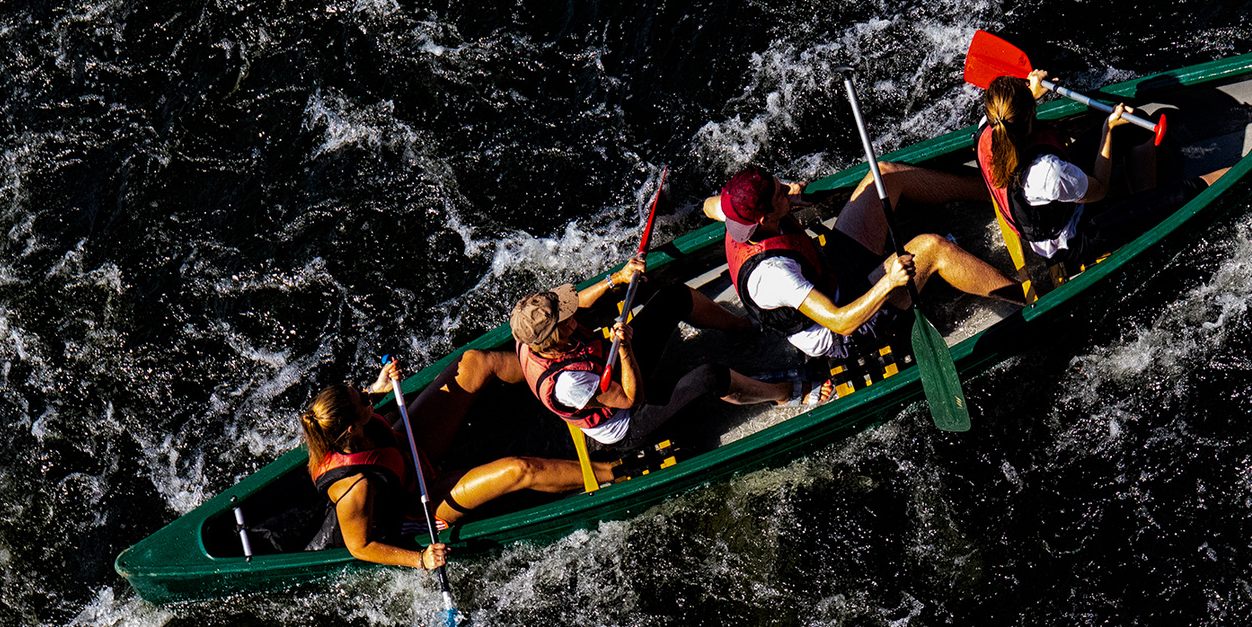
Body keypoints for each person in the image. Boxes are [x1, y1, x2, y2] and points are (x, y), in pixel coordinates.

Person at [301, 357, 611, 571]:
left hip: (408, 459)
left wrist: (376, 389)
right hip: (418, 505)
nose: (368, 398)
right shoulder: (355, 488)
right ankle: (617, 470)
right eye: (364, 401)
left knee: (475, 362)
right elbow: (361, 546)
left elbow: (362, 409)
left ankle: (563, 379)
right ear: (352, 429)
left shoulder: (345, 428)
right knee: (518, 470)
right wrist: (421, 560)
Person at [706, 162, 1018, 366]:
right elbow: (841, 321)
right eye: (781, 193)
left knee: (883, 176)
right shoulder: (772, 276)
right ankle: (1032, 297)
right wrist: (889, 280)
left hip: (832, 273)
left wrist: (788, 200)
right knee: (932, 247)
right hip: (842, 331)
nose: (789, 189)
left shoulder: (734, 210)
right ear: (763, 219)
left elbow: (710, 207)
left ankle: (997, 191)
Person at [513, 255, 813, 450]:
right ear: (558, 332)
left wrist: (617, 278)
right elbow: (632, 398)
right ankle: (785, 393)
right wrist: (627, 349)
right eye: (567, 316)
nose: (572, 313)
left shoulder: (532, 333)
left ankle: (740, 328)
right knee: (710, 375)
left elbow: (580, 302)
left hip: (609, 368)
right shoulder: (568, 383)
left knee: (673, 297)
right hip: (627, 419)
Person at [976, 71, 1227, 269]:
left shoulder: (987, 129)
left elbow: (1016, 115)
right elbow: (1099, 188)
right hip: (1073, 237)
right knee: (1188, 191)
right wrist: (1107, 131)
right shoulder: (1044, 172)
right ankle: (1152, 210)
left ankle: (1146, 204)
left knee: (1133, 124)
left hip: (1056, 198)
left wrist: (1031, 92)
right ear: (1031, 112)